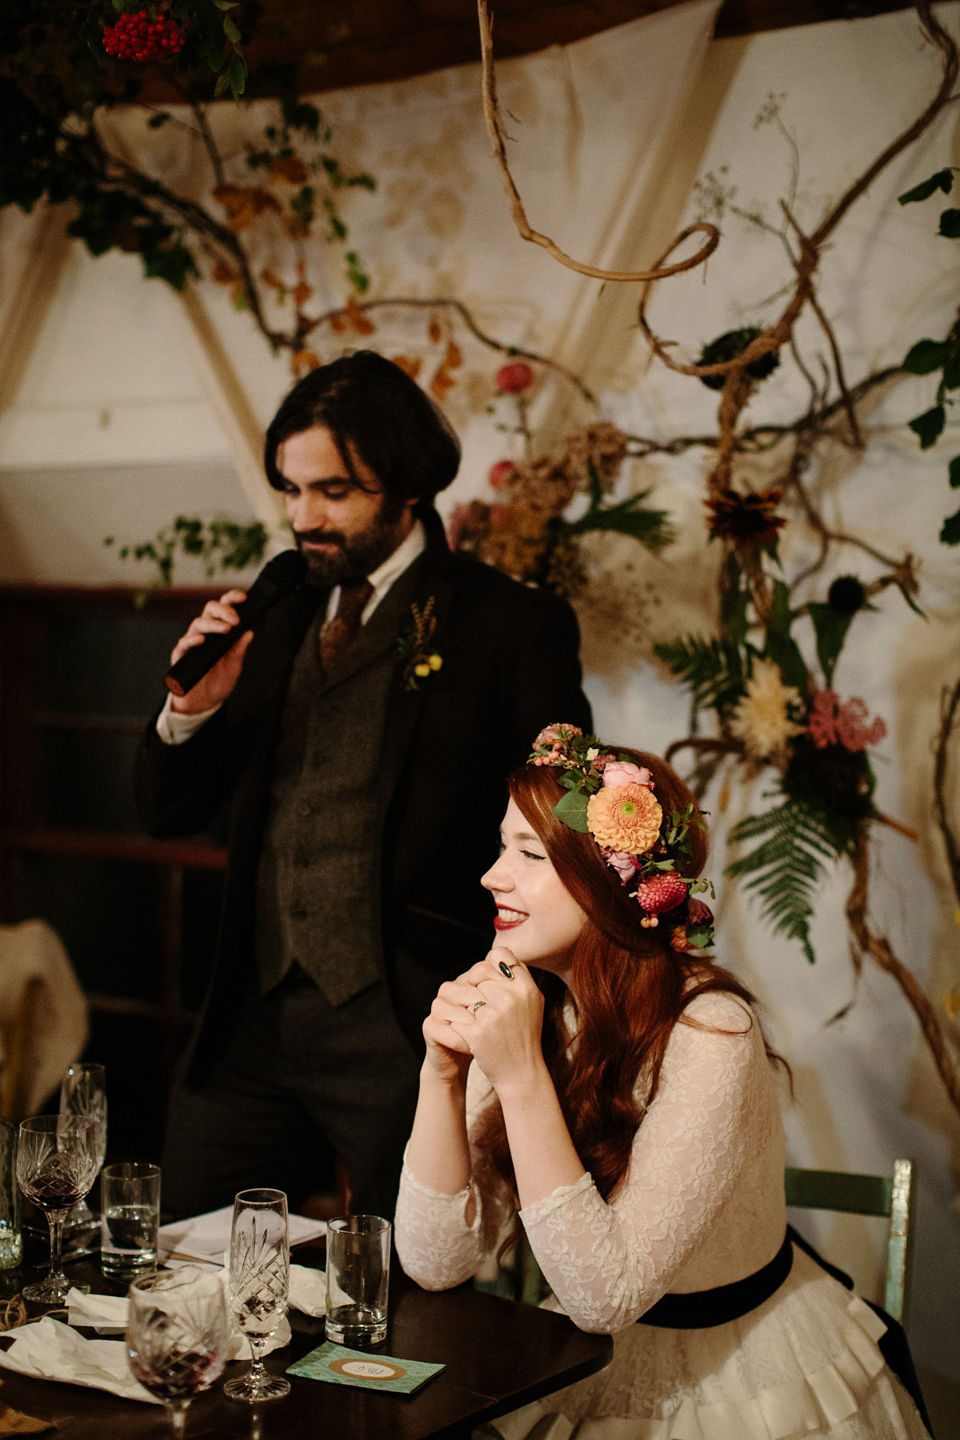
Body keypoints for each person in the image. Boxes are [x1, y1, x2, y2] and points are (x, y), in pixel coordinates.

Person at [136, 353, 592, 1219]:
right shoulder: (273, 614)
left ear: (409, 488)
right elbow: (165, 812)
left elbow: (564, 825)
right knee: (182, 1266)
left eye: (333, 492)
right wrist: (188, 711)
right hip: (250, 1022)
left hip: (407, 1023)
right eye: (291, 490)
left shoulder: (509, 625)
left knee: (408, 1303)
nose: (303, 518)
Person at [395, 724, 931, 1440]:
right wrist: (442, 1073)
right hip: (584, 1358)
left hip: (744, 1369)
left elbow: (602, 1296)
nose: (493, 876)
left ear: (606, 885)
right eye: (502, 848)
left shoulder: (712, 1031)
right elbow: (434, 1263)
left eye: (528, 854)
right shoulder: (534, 1005)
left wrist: (520, 1077)